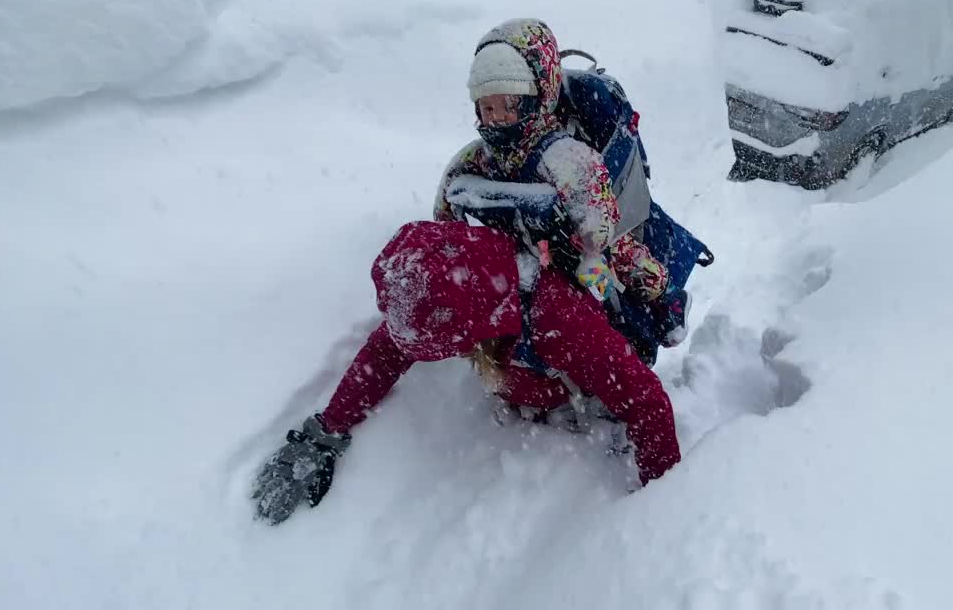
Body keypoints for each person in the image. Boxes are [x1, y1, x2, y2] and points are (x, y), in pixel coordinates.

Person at [252, 220, 682, 525]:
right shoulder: (454, 282)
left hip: (568, 397)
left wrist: (660, 507)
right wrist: (326, 432)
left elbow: (647, 400)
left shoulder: (556, 320)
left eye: (440, 349)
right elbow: (386, 353)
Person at [434, 18, 671, 307]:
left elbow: (598, 228)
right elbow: (446, 205)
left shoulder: (564, 157)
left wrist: (589, 253)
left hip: (575, 253)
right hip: (522, 260)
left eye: (509, 106)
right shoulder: (478, 156)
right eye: (487, 107)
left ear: (536, 97)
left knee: (634, 275)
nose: (495, 117)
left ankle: (664, 298)